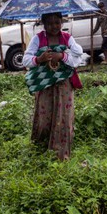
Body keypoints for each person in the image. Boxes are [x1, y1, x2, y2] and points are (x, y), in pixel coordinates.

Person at [23, 12, 83, 160]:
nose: (54, 26)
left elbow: (78, 55)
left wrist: (62, 56)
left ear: (61, 22)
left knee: (64, 115)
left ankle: (61, 151)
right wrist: (39, 59)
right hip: (44, 84)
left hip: (64, 84)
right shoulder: (38, 39)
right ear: (44, 24)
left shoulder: (67, 38)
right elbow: (26, 60)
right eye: (49, 23)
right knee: (45, 116)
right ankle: (41, 147)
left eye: (57, 22)